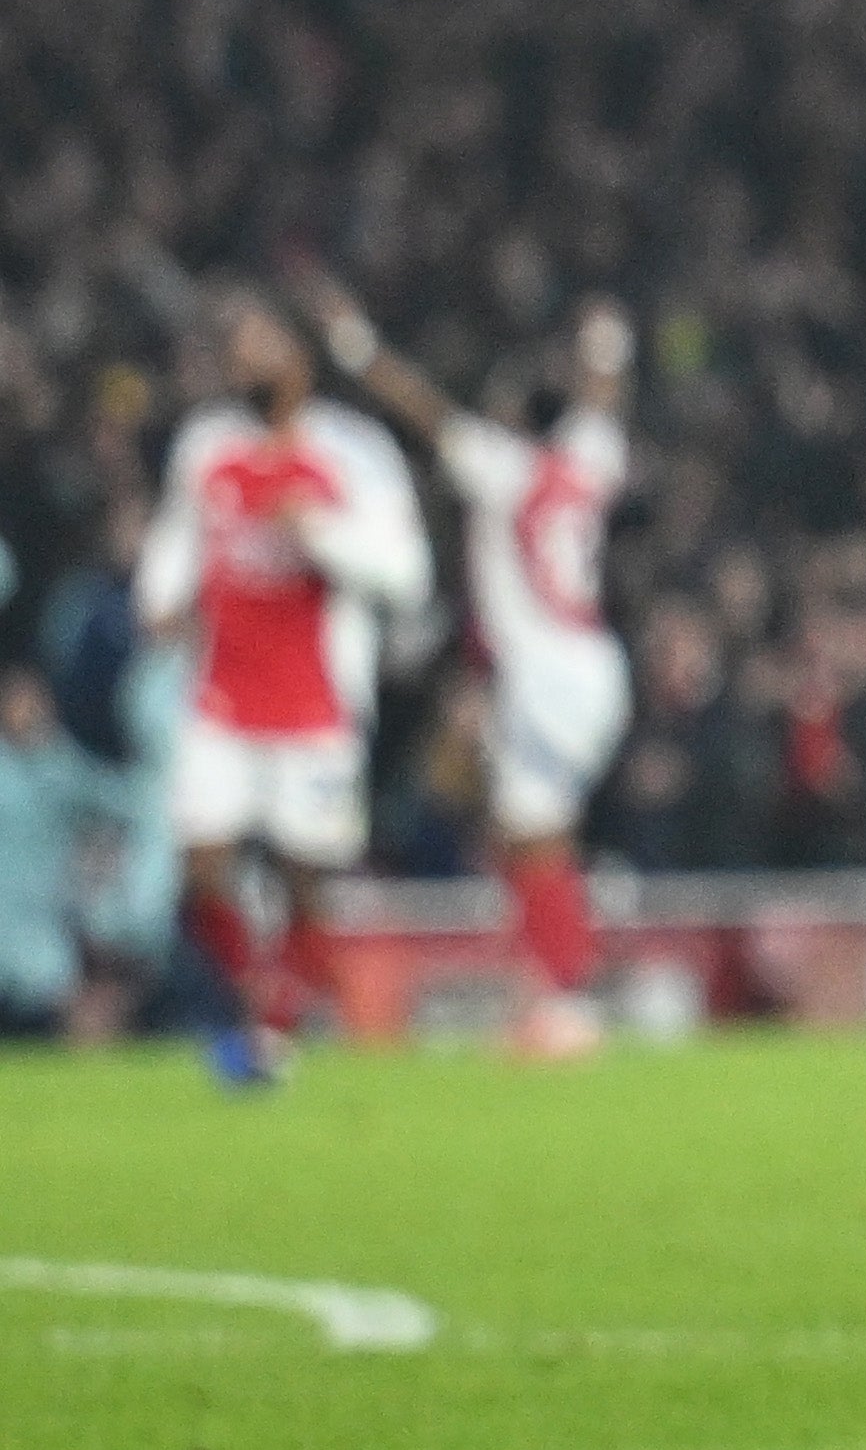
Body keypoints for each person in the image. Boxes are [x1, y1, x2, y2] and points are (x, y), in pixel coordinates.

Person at [320, 287, 638, 1060]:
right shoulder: (591, 459)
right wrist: (606, 348)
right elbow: (603, 400)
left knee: (536, 835)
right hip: (590, 664)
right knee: (515, 830)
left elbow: (425, 411)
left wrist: (360, 349)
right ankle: (554, 984)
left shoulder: (506, 469)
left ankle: (566, 1001)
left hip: (546, 675)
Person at [134, 290, 435, 1089]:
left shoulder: (354, 451)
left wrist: (321, 534)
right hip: (220, 695)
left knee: (307, 879)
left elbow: (408, 574)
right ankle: (258, 1002)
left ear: (300, 357)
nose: (246, 358)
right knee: (203, 864)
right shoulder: (206, 445)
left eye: (262, 341)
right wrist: (158, 597)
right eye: (236, 344)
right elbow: (179, 534)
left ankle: (276, 1029)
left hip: (317, 700)